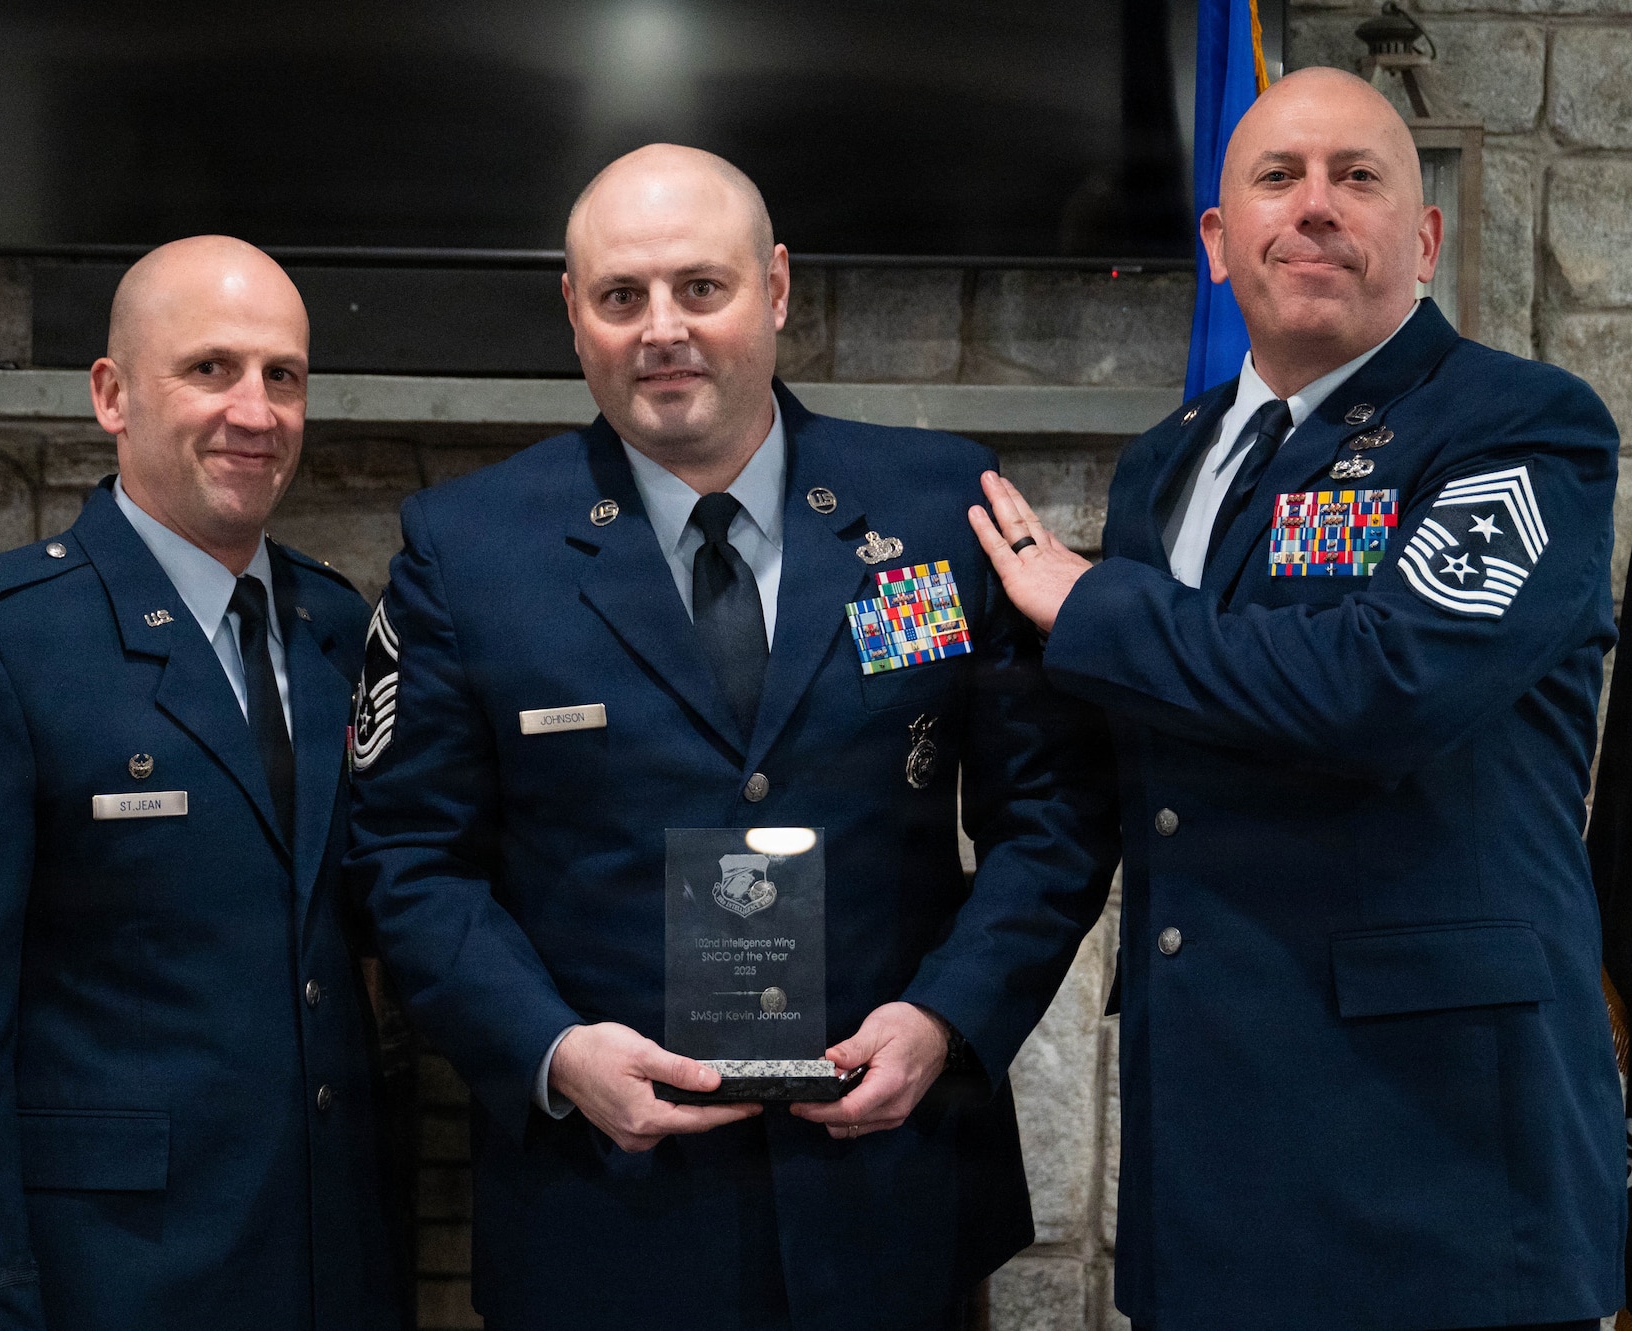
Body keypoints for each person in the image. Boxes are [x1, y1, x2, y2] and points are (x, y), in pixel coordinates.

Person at [346, 144, 1119, 1331]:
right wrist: (551, 1050)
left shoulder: (936, 507)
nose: (661, 329)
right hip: (605, 1216)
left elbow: (1052, 814)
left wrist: (948, 1017)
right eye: (621, 296)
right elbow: (406, 857)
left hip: (889, 1193)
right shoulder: (470, 550)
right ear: (572, 311)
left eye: (699, 287)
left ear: (777, 287)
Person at [970, 68, 1626, 1331]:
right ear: (1218, 245)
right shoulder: (1170, 457)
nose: (1313, 206)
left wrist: (1091, 605)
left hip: (1433, 1151)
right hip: (1209, 1149)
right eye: (1276, 177)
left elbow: (1388, 685)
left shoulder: (1517, 425)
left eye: (1356, 176)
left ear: (1421, 236)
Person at [0, 236, 401, 1331]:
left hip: (328, 1267)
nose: (255, 408)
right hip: (108, 1279)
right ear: (112, 393)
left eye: (282, 375)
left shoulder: (336, 630)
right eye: (211, 368)